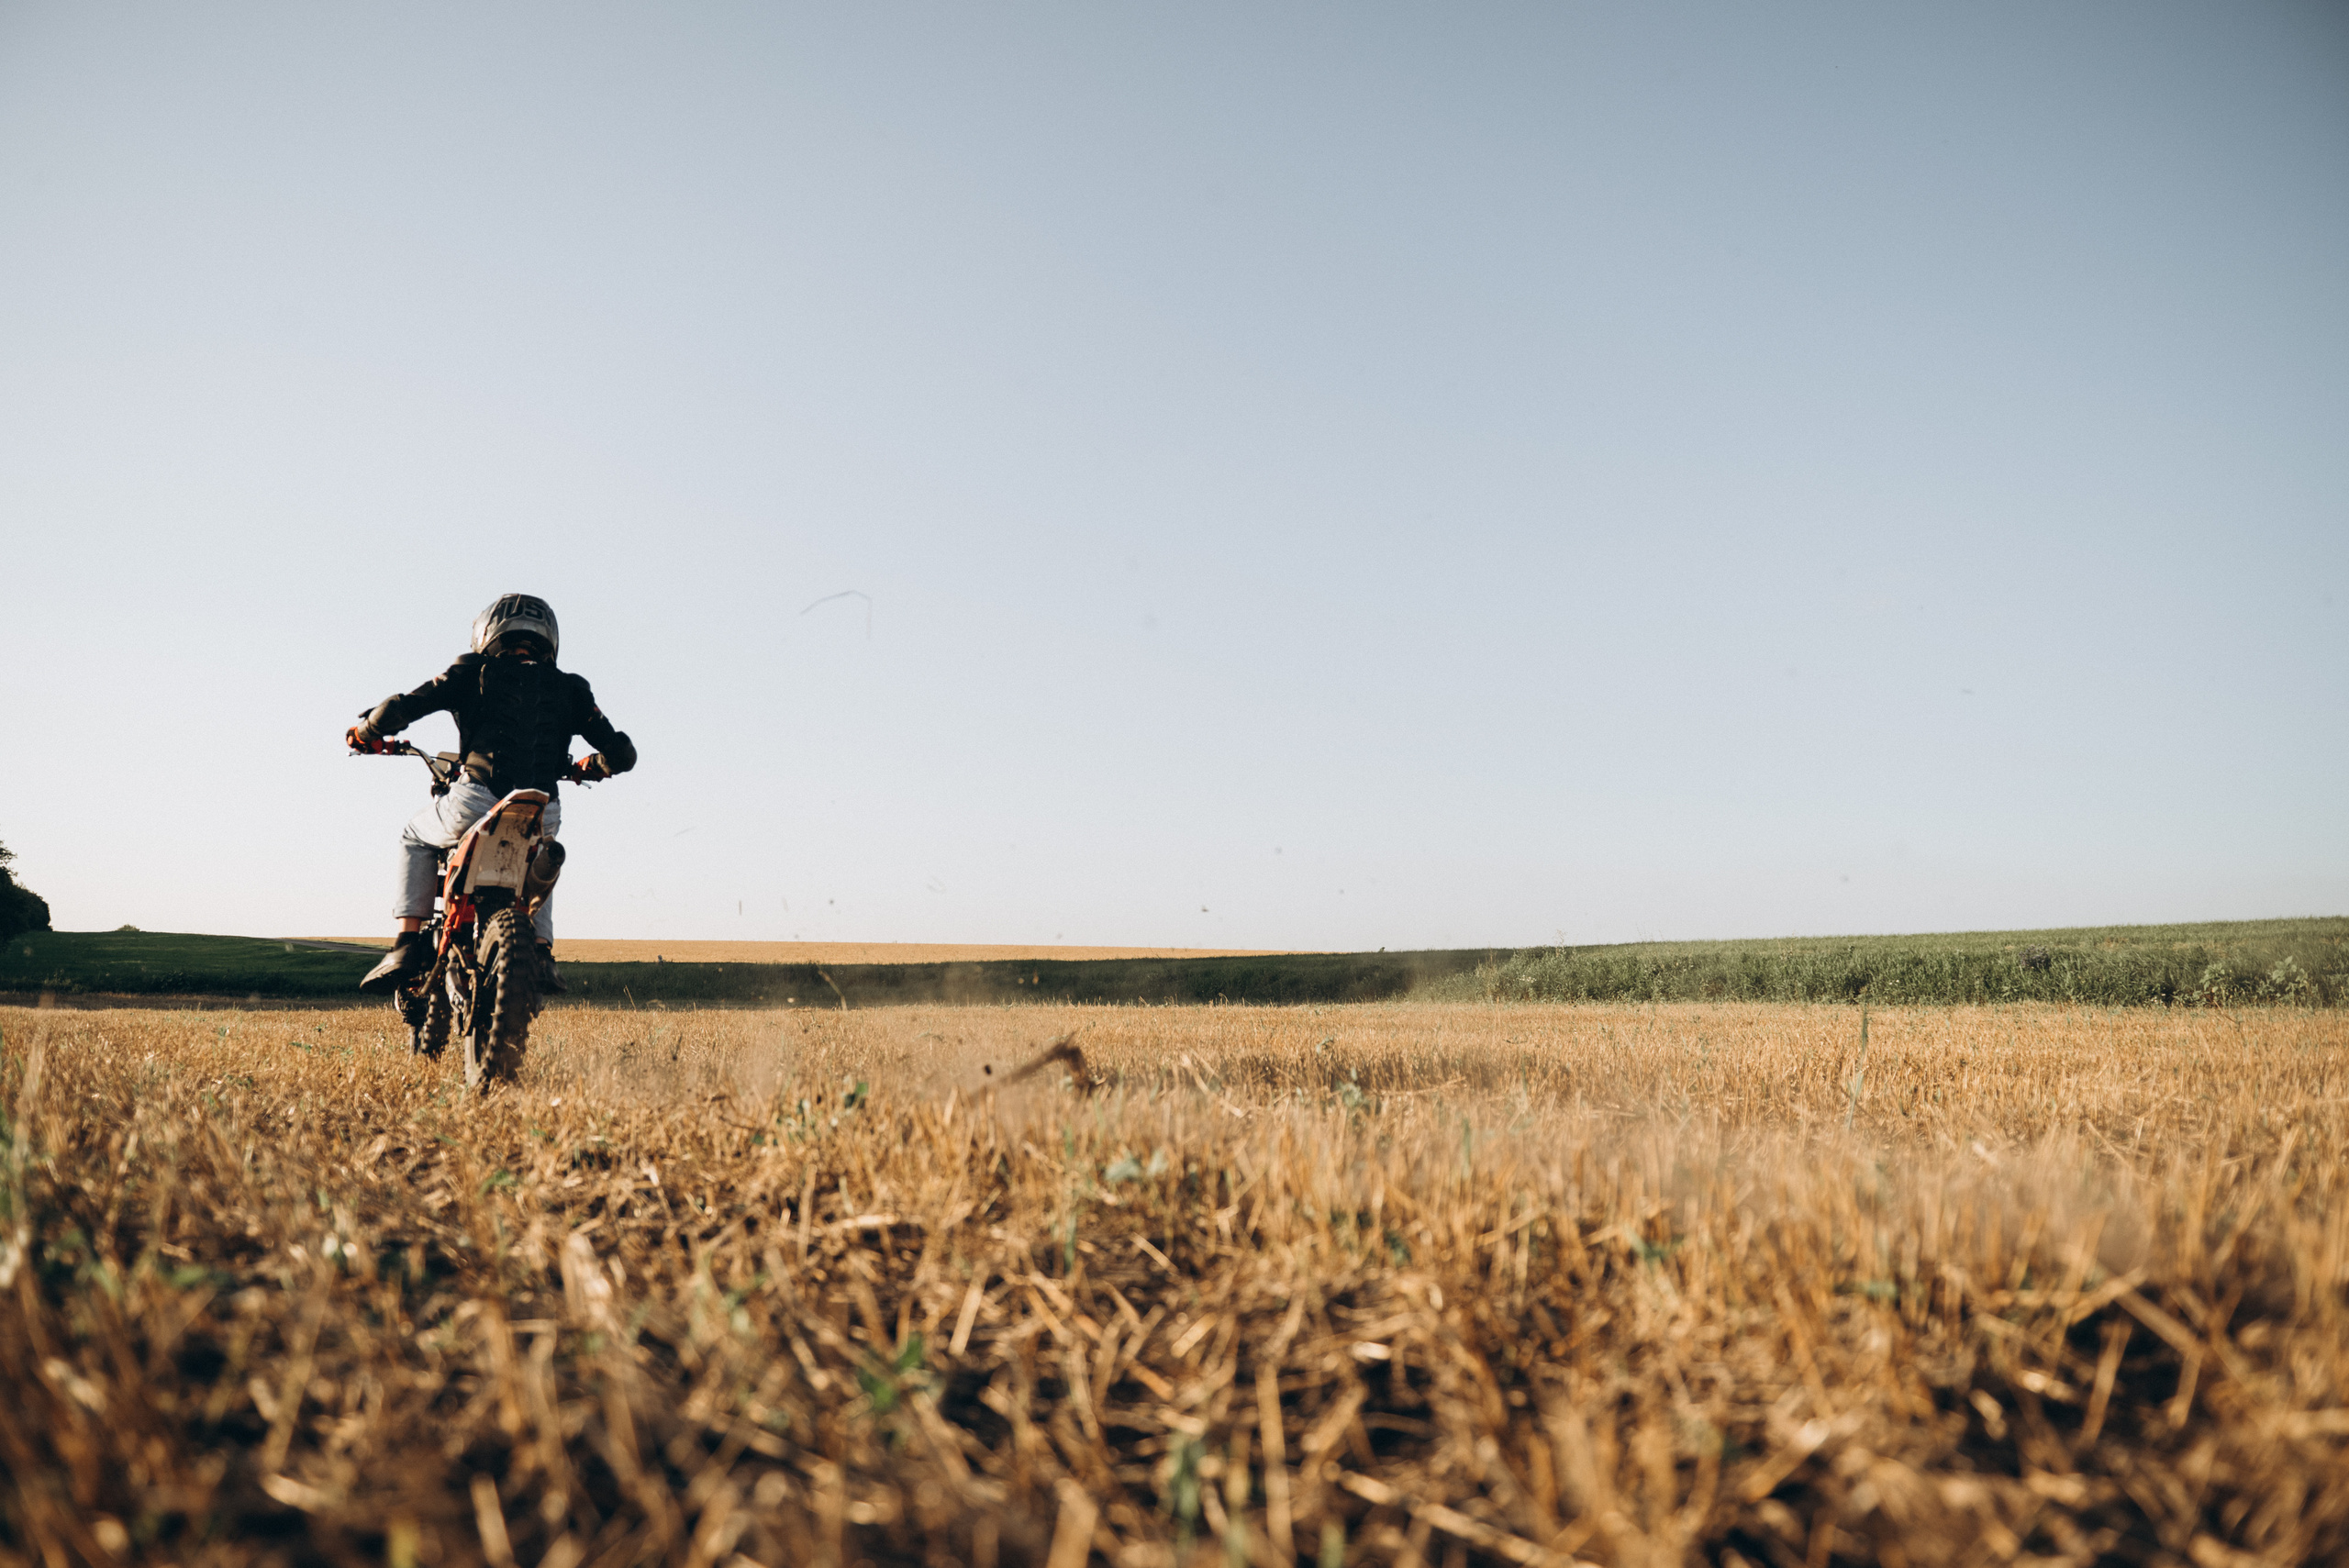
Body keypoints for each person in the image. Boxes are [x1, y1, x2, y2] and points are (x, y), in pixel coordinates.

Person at [350, 594, 637, 995]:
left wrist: (366, 733)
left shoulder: (472, 670)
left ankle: (406, 944)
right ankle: (540, 951)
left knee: (414, 837)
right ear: (548, 638)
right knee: (538, 856)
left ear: (489, 632)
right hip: (541, 805)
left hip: (476, 799)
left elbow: (406, 706)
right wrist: (595, 765)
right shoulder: (572, 688)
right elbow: (623, 755)